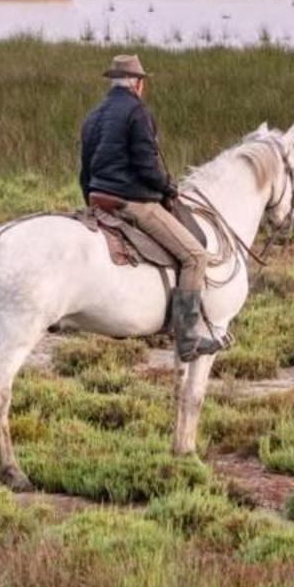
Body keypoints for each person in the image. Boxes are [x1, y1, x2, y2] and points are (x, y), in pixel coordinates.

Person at [77, 53, 226, 360]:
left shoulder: (93, 115)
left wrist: (91, 200)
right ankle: (187, 340)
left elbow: (85, 170)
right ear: (138, 83)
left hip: (97, 198)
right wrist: (168, 188)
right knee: (195, 257)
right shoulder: (137, 112)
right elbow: (147, 166)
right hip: (131, 202)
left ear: (113, 81)